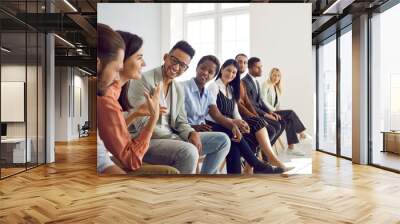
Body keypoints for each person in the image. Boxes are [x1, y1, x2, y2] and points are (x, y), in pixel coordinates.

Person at [127, 41, 230, 174]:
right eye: (174, 60)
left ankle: (205, 180)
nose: (176, 67)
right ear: (165, 57)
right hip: (147, 141)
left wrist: (190, 133)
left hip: (174, 138)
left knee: (223, 141)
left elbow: (181, 121)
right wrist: (179, 138)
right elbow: (142, 126)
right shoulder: (143, 80)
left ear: (186, 69)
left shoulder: (178, 88)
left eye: (182, 65)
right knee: (189, 152)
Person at [97, 24, 178, 174]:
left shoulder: (116, 92)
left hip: (119, 154)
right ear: (122, 60)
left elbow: (109, 131)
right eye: (139, 57)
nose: (144, 63)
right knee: (175, 167)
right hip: (124, 156)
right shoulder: (106, 98)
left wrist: (136, 113)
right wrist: (154, 118)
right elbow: (131, 160)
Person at [205, 59, 285, 174]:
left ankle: (250, 167)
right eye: (228, 70)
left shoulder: (231, 89)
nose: (231, 74)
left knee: (251, 128)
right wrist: (234, 123)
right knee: (235, 136)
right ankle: (257, 164)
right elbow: (212, 114)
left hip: (230, 124)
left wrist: (242, 123)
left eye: (234, 73)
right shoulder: (213, 86)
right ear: (222, 69)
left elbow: (235, 111)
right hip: (216, 123)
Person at [260, 67, 312, 154]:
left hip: (274, 112)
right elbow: (263, 100)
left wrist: (281, 112)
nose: (276, 77)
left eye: (278, 76)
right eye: (274, 75)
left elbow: (277, 105)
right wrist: (273, 111)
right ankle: (302, 133)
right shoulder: (266, 84)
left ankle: (291, 147)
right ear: (270, 75)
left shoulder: (276, 88)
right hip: (267, 112)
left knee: (289, 119)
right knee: (290, 112)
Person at [241, 57, 285, 149]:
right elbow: (251, 104)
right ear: (250, 68)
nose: (261, 69)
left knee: (280, 123)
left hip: (259, 112)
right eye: (258, 67)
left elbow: (260, 101)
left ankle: (265, 153)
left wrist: (269, 112)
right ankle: (257, 152)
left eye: (261, 67)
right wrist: (265, 115)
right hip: (252, 114)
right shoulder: (245, 82)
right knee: (273, 128)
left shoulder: (256, 82)